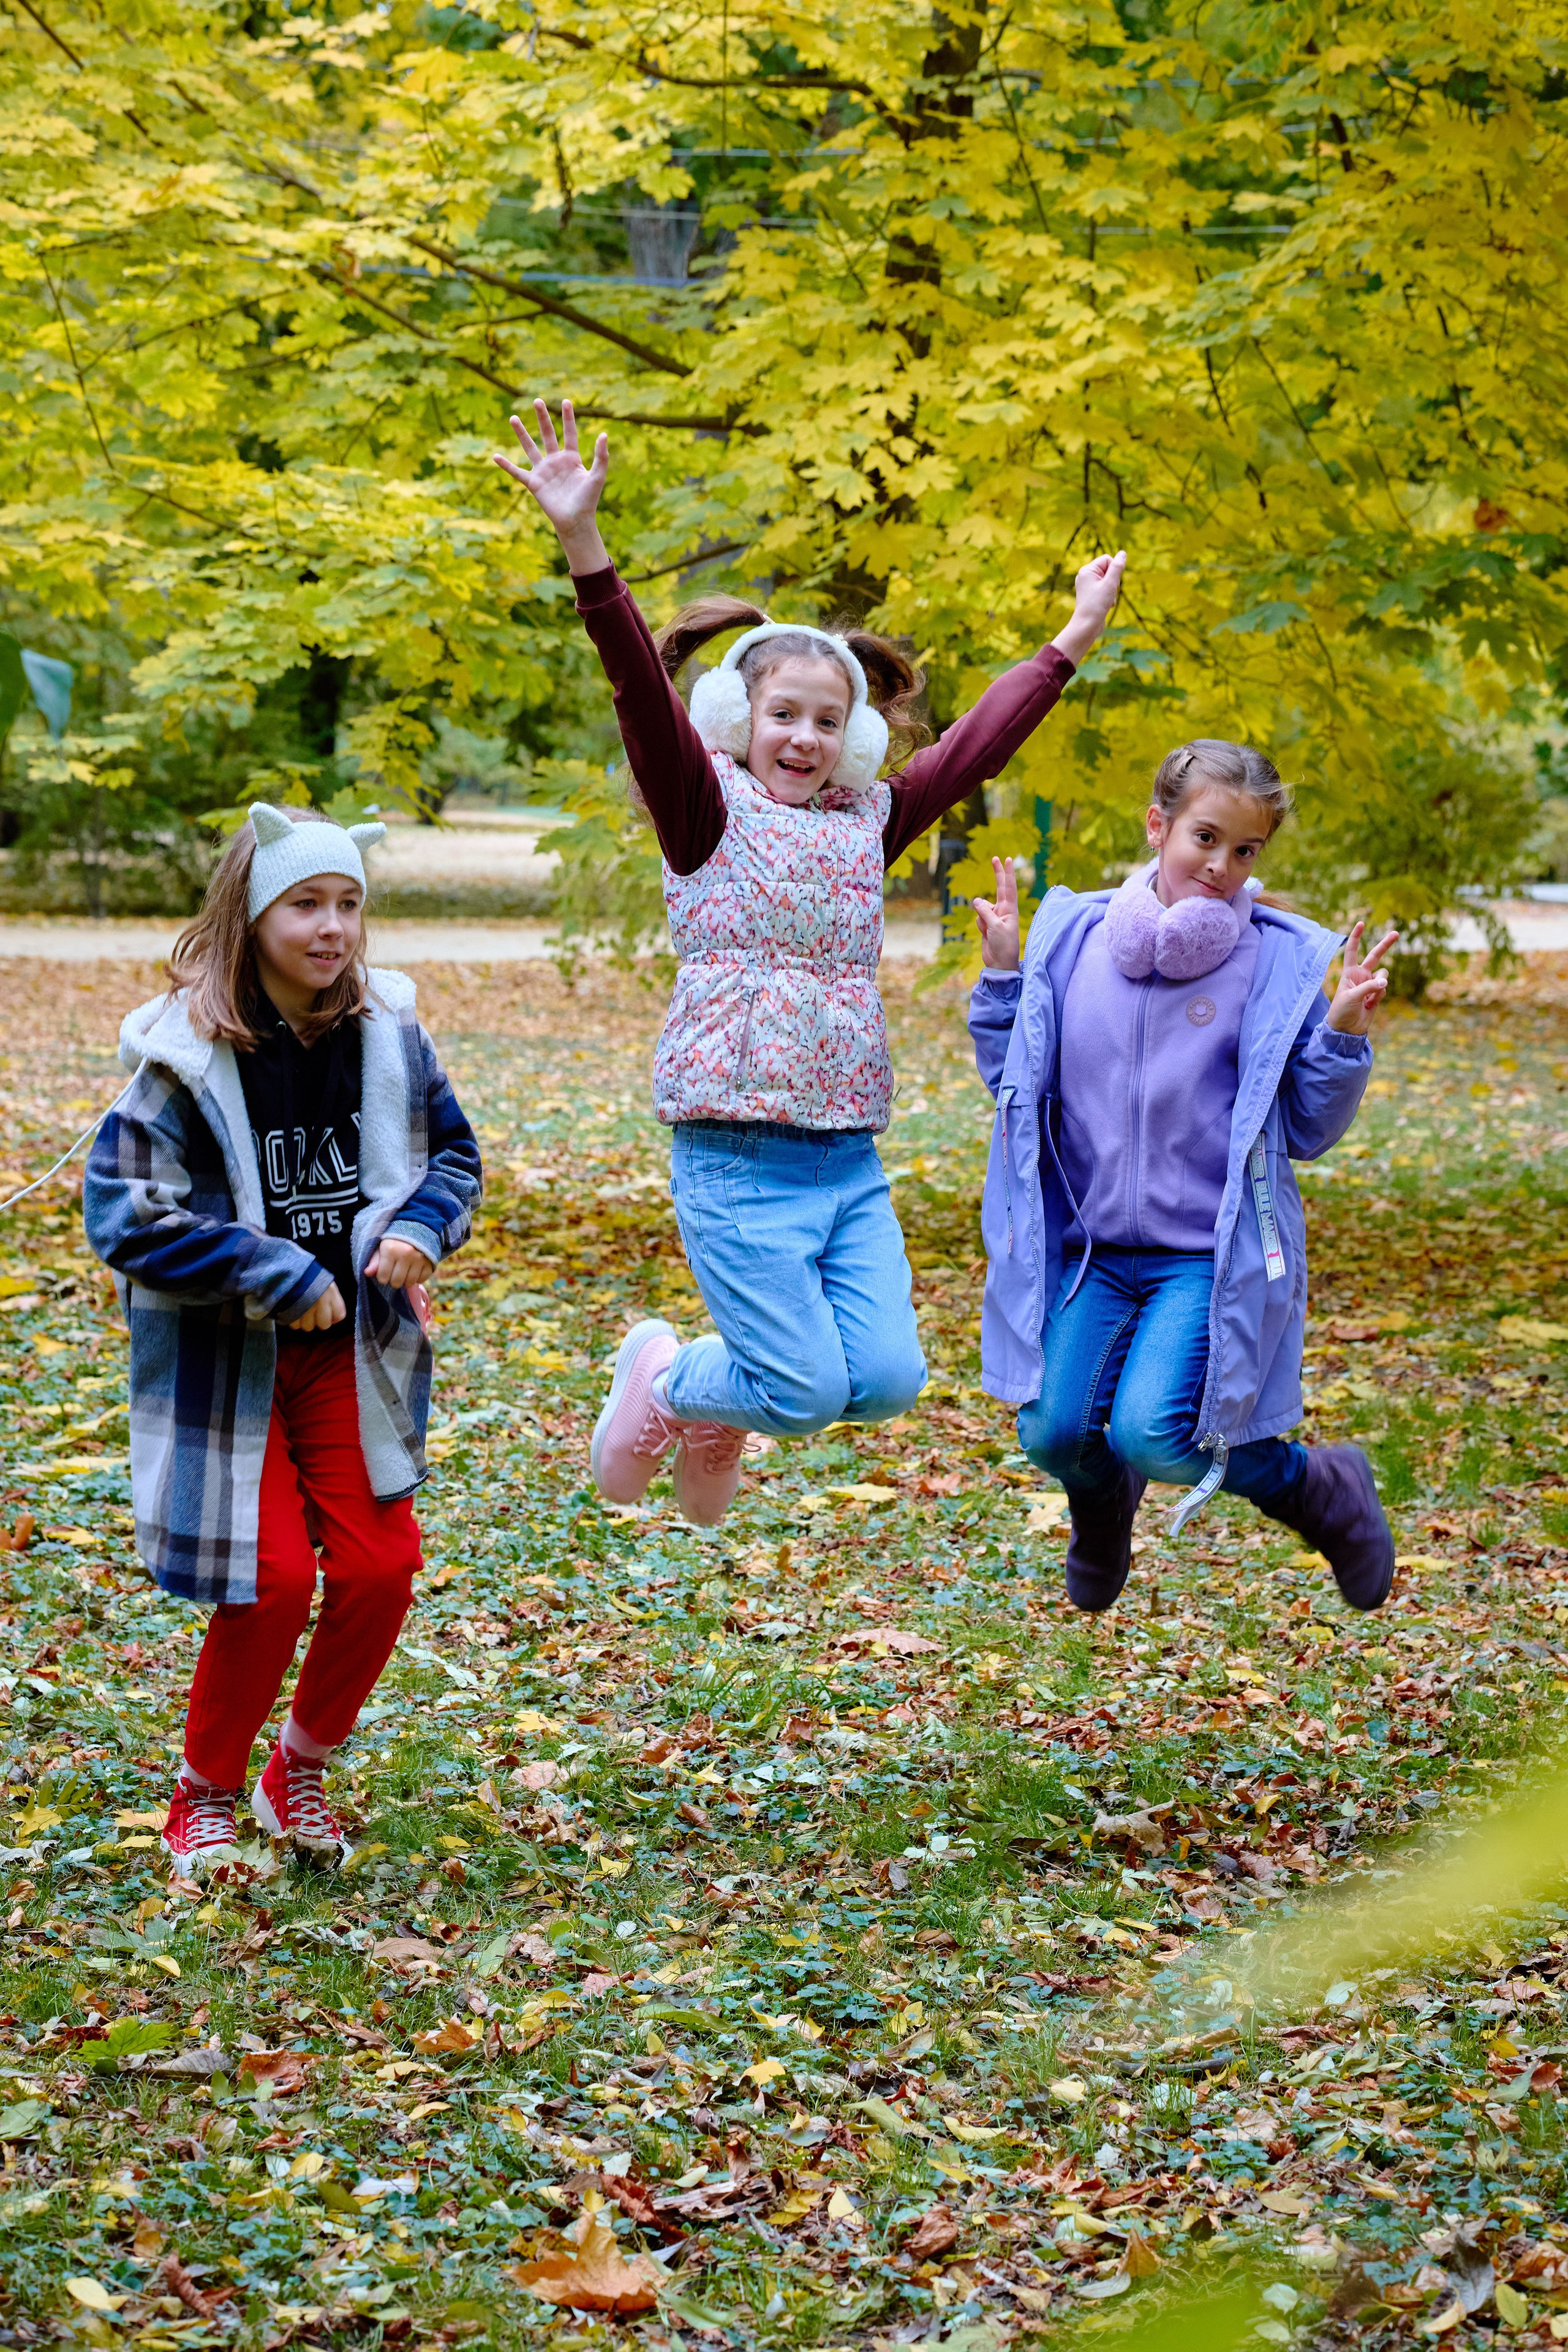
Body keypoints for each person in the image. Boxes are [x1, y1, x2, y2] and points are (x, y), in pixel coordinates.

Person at [497, 396, 1126, 1526]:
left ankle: (712, 1396)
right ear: (739, 719)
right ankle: (669, 1382)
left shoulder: (867, 821)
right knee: (801, 1388)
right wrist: (583, 541)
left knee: (884, 1382)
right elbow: (638, 686)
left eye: (829, 722)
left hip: (845, 1158)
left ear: (855, 739)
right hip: (735, 1153)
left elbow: (973, 749)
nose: (805, 738)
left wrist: (1069, 642)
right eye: (784, 714)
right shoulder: (702, 811)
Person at [83, 805, 482, 1872]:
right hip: (229, 1361)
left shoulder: (388, 1034)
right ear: (251, 914)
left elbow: (453, 1159)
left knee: (380, 1567)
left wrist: (420, 1228)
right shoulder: (181, 1056)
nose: (332, 927)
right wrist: (276, 1271)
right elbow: (123, 1213)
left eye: (349, 903)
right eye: (306, 903)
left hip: (351, 1349)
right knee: (267, 1576)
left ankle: (295, 1769)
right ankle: (204, 1793)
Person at [968, 742, 1400, 1612]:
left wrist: (1342, 1034)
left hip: (1202, 1258)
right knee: (1052, 1434)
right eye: (1206, 837)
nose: (1222, 866)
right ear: (1158, 825)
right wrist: (1005, 976)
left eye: (1246, 851)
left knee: (1155, 1434)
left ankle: (1321, 1487)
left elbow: (1306, 1129)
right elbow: (1014, 1084)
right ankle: (1103, 1505)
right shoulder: (1077, 942)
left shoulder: (1269, 964)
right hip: (1094, 1253)